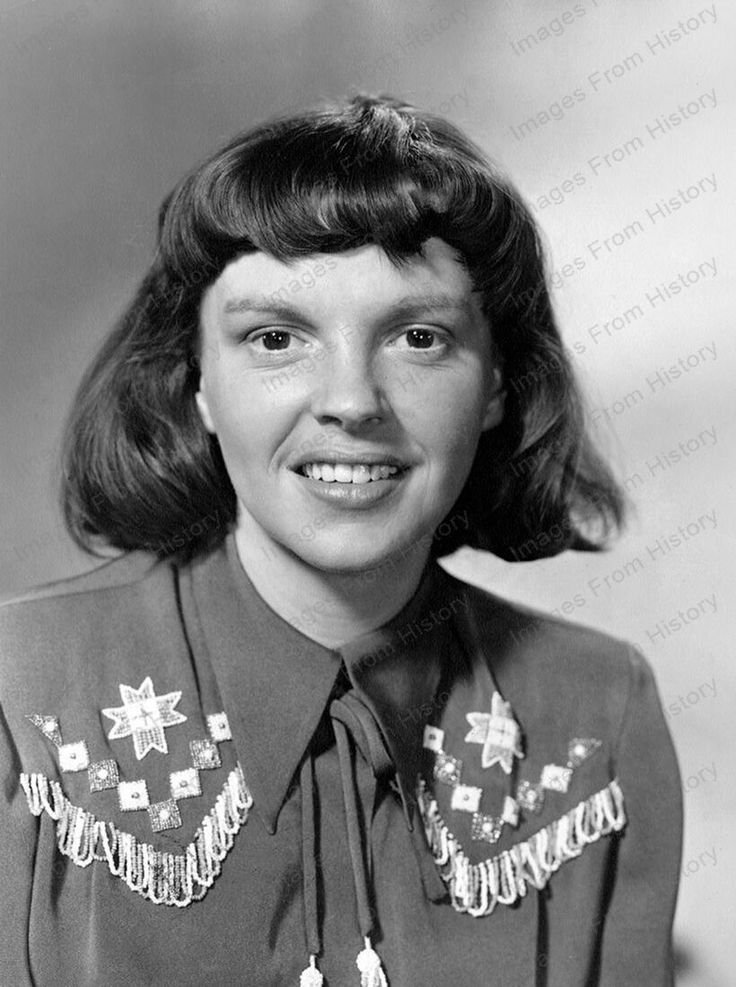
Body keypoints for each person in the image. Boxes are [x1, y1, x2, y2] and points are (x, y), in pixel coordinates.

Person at [0, 94, 682, 986]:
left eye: (419, 337)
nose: (353, 401)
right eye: (277, 337)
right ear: (198, 383)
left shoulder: (595, 715)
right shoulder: (23, 690)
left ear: (498, 388)